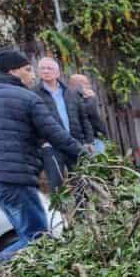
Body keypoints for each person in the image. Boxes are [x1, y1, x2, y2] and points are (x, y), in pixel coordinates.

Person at [0, 49, 83, 265]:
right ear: (13, 71)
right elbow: (56, 134)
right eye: (27, 69)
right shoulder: (27, 98)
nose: (33, 75)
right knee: (38, 238)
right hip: (15, 178)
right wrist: (85, 157)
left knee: (27, 234)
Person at [35, 57, 93, 192]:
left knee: (81, 182)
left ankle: (81, 211)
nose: (46, 71)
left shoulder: (71, 92)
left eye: (50, 68)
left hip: (74, 143)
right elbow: (31, 123)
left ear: (57, 73)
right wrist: (41, 142)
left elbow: (84, 118)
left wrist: (89, 141)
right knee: (56, 185)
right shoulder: (34, 94)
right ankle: (60, 212)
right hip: (51, 146)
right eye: (42, 68)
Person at [68, 73, 108, 154]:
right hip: (88, 140)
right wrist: (91, 99)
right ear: (76, 85)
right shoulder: (75, 98)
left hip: (95, 137)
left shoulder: (83, 97)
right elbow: (90, 112)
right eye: (86, 83)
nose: (89, 86)